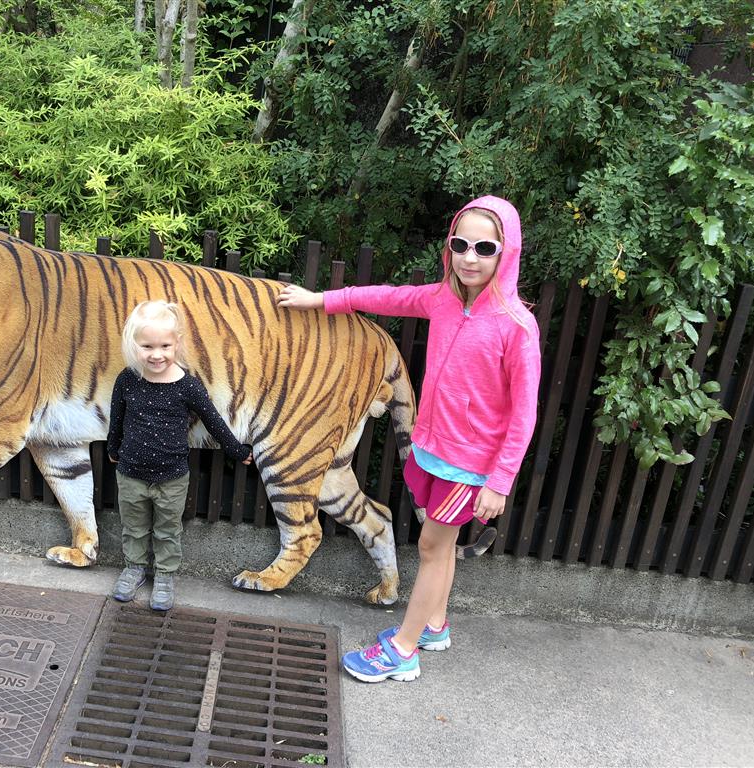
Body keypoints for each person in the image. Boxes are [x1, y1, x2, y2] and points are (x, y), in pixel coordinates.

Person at [277, 196, 541, 682]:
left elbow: (524, 414)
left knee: (431, 549)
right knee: (441, 547)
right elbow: (384, 297)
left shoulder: (518, 327)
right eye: (460, 244)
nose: (469, 257)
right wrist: (319, 301)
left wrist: (499, 481)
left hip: (469, 466)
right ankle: (434, 626)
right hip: (431, 450)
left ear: (506, 253)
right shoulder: (442, 299)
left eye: (484, 248)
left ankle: (402, 650)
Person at [107, 300, 254, 611]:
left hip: (172, 478)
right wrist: (113, 448)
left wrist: (236, 450)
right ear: (134, 345)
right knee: (133, 527)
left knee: (167, 530)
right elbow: (116, 418)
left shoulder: (187, 386)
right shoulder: (127, 380)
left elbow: (213, 420)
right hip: (130, 473)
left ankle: (164, 575)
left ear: (177, 343)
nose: (156, 354)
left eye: (165, 346)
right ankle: (134, 568)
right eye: (147, 346)